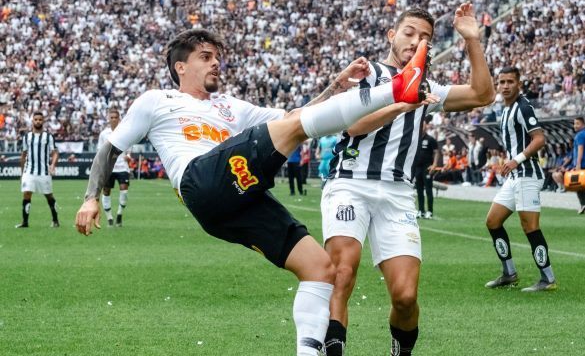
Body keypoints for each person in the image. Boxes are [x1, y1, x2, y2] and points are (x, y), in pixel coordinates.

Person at [74, 29, 436, 356]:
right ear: (180, 67)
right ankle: (396, 88)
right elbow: (110, 146)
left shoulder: (232, 106)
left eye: (217, 57)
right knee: (291, 130)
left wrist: (336, 87)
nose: (216, 63)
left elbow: (300, 116)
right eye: (205, 57)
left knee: (321, 268)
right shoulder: (156, 100)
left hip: (234, 200)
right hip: (201, 181)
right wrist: (91, 197)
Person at [321, 4, 495, 356]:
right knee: (341, 275)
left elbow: (482, 94)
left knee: (405, 296)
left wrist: (472, 39)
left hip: (398, 193)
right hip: (350, 184)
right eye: (410, 33)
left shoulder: (426, 86)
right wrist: (403, 104)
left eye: (425, 38)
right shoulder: (366, 72)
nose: (417, 41)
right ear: (392, 35)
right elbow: (353, 125)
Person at [484, 66, 557, 292]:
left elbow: (539, 139)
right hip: (515, 176)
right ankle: (509, 273)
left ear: (519, 84)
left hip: (526, 174)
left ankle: (548, 279)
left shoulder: (524, 107)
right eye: (502, 82)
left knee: (530, 227)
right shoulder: (506, 109)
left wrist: (516, 160)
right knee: (493, 222)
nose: (505, 86)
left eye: (510, 82)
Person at [16, 112, 60, 228]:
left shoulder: (48, 136)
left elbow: (55, 152)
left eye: (40, 119)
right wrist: (21, 173)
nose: (38, 121)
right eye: (36, 119)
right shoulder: (27, 137)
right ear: (32, 121)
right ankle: (25, 222)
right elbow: (23, 155)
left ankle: (55, 220)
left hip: (44, 171)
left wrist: (53, 165)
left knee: (49, 196)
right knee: (26, 194)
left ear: (43, 121)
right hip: (29, 171)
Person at [98, 109, 132, 227]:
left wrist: (128, 156)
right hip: (108, 168)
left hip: (122, 167)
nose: (113, 119)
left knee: (124, 191)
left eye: (115, 117)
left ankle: (119, 215)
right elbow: (100, 151)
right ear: (109, 119)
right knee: (106, 191)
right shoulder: (104, 134)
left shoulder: (125, 132)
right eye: (111, 117)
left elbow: (129, 149)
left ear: (119, 119)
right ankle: (109, 219)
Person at [414, 117, 439, 219]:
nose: (422, 127)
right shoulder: (416, 138)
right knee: (419, 190)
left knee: (428, 189)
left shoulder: (430, 139)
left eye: (423, 125)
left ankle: (430, 211)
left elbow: (437, 152)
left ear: (426, 127)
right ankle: (421, 210)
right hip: (417, 168)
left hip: (427, 167)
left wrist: (434, 164)